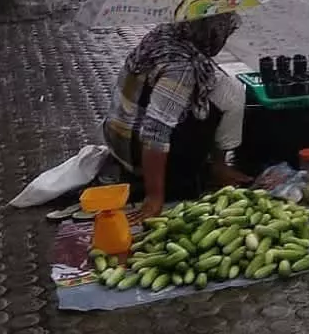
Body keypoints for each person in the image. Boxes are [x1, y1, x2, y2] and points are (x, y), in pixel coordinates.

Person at [102, 13, 250, 219]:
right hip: (134, 149)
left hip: (118, 134)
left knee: (230, 90)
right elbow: (155, 132)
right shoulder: (181, 66)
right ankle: (173, 178)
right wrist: (155, 197)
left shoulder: (168, 34)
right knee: (207, 111)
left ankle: (218, 167)